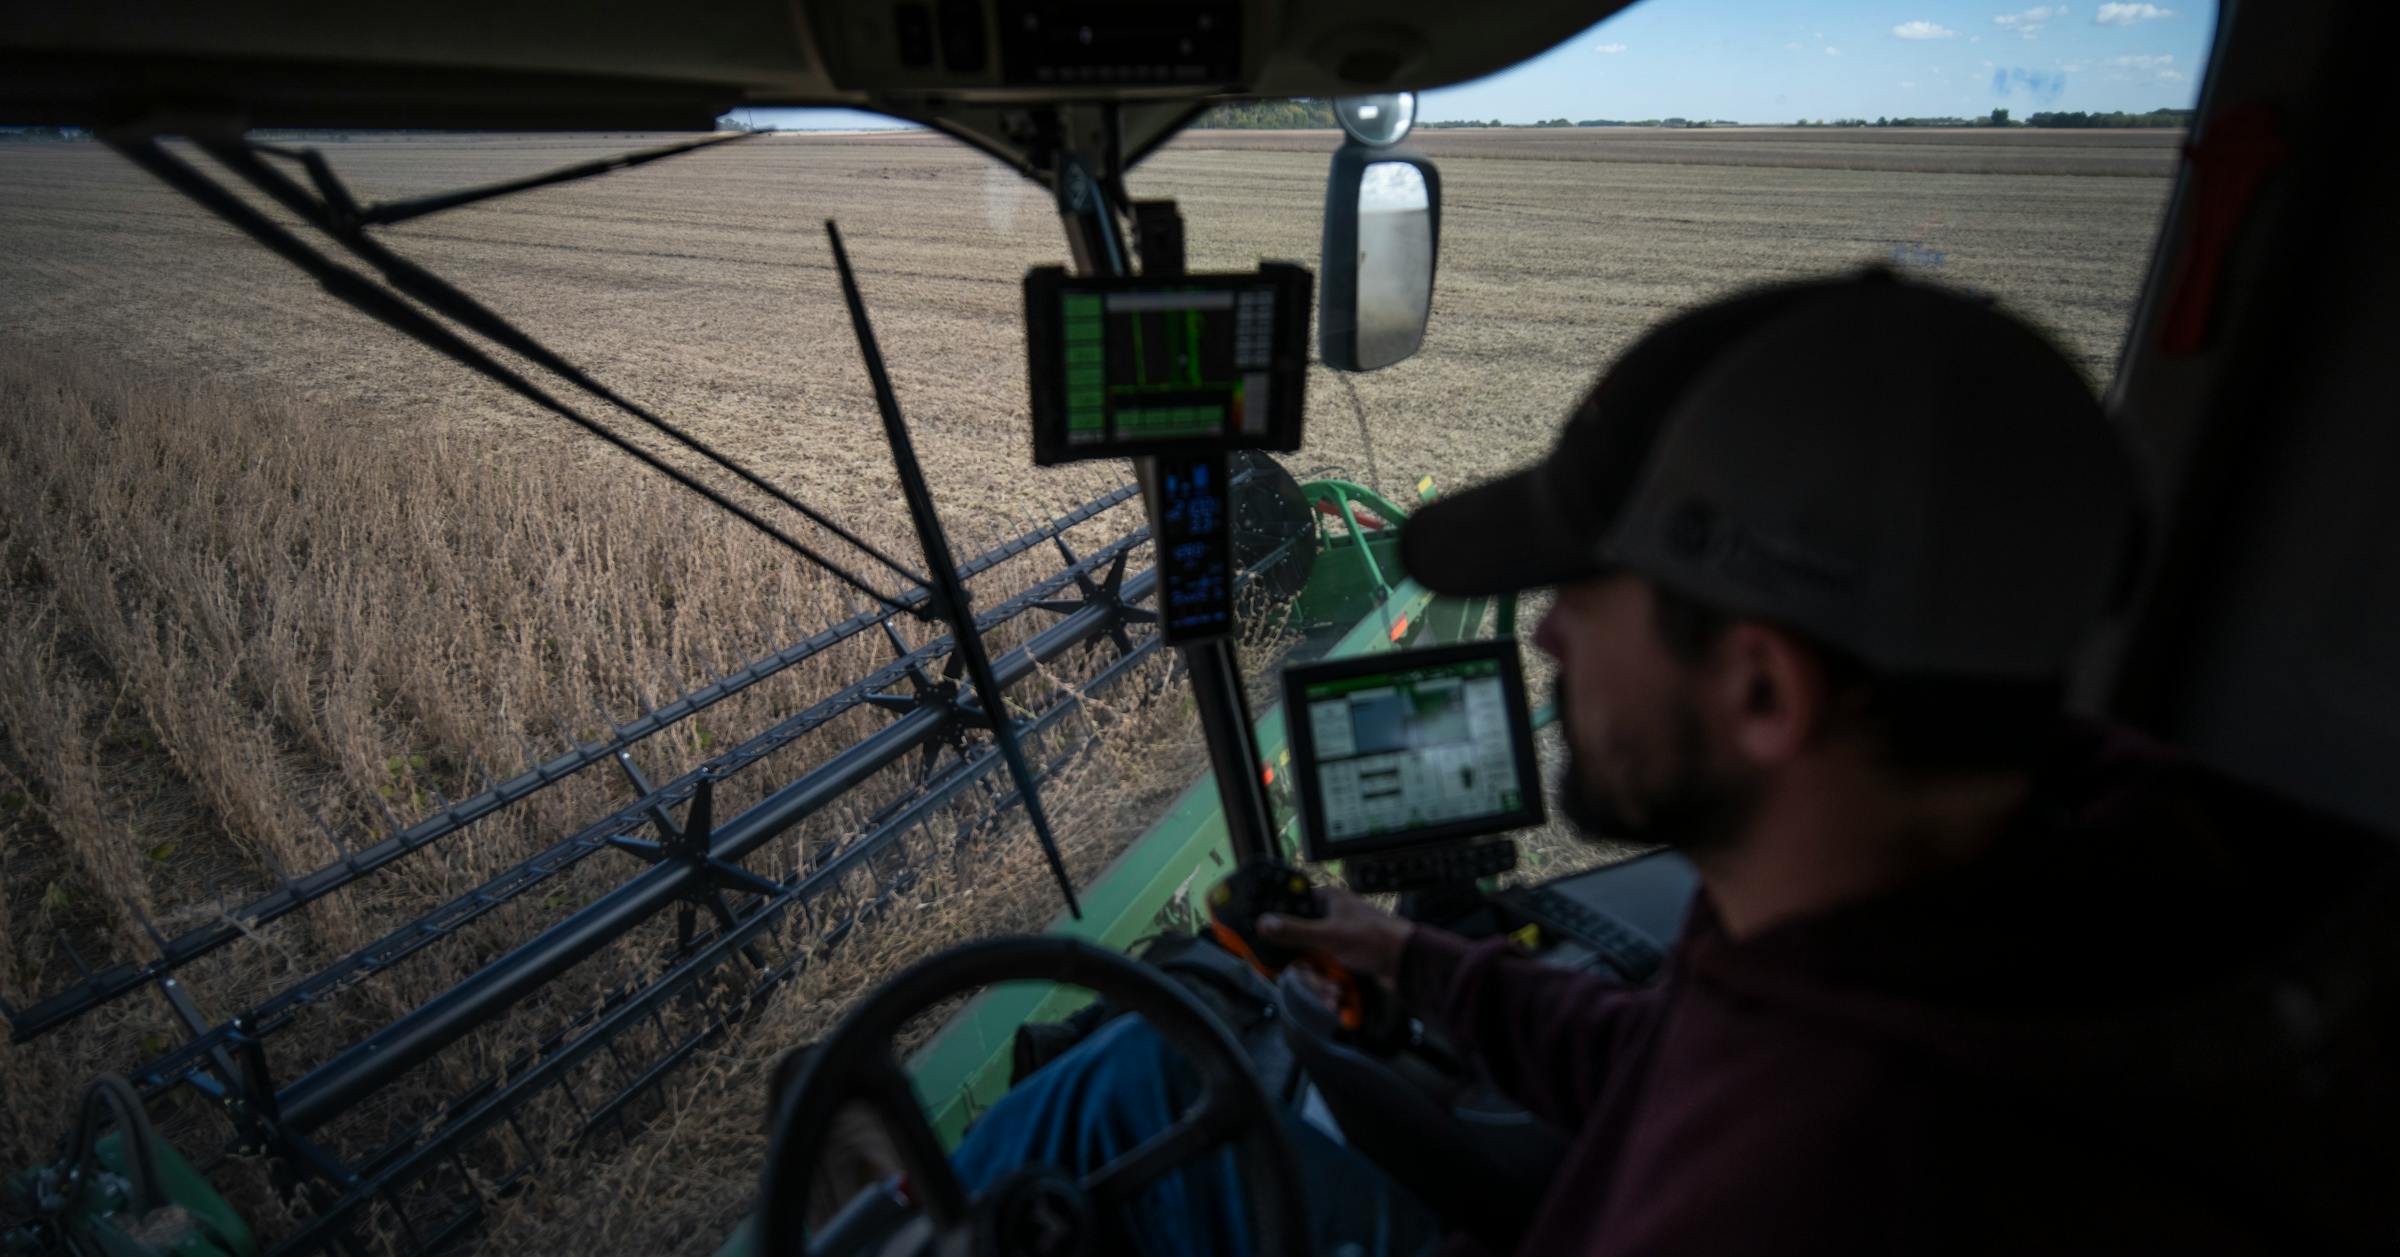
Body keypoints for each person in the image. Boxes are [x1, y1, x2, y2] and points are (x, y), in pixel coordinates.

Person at [792, 271, 2397, 1254]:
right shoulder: (2021, 867)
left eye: (1586, 597)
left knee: (1132, 1120)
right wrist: (1414, 958)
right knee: (1152, 1070)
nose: (1544, 642)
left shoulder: (1827, 1176)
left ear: (1763, 686)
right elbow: (1668, 1066)